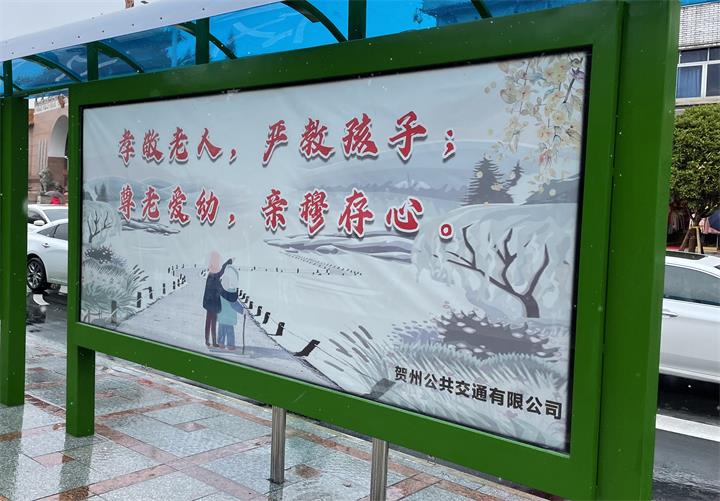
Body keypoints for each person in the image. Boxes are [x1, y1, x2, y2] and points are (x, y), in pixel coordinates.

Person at [202, 252, 232, 347]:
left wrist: (226, 263)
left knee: (212, 321)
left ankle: (212, 341)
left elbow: (220, 274)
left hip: (212, 302)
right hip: (211, 302)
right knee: (210, 321)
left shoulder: (213, 274)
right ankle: (208, 340)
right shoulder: (212, 275)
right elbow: (218, 282)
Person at [217, 266, 244, 350]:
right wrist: (242, 310)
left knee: (222, 331)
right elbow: (234, 304)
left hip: (222, 316)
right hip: (229, 317)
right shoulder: (230, 293)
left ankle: (221, 343)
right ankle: (230, 345)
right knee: (229, 332)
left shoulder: (220, 292)